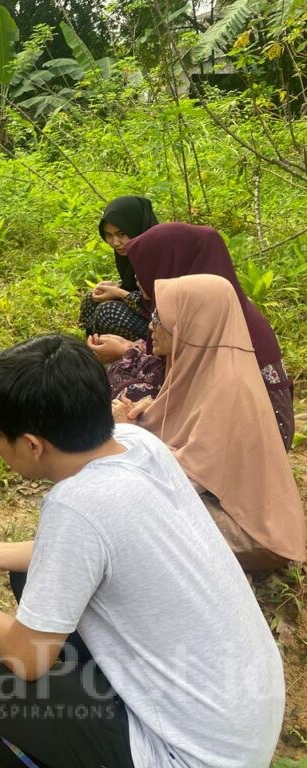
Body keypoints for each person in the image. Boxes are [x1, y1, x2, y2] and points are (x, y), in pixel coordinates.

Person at [0, 334, 284, 768]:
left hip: (190, 756)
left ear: (33, 445)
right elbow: (92, 548)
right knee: (28, 577)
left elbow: (26, 659)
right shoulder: (137, 445)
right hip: (239, 718)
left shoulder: (77, 502)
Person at [113, 274, 305, 571]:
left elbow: (182, 481)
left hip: (254, 536)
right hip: (226, 507)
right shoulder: (207, 362)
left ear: (192, 323)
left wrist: (126, 432)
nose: (151, 327)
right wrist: (144, 415)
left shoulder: (229, 385)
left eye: (160, 318)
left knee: (132, 510)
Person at [89, 222, 294, 450]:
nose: (138, 279)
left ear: (173, 269)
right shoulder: (214, 308)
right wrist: (131, 348)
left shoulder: (222, 327)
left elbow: (207, 405)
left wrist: (148, 411)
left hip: (251, 440)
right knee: (125, 379)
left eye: (146, 269)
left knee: (125, 396)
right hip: (219, 420)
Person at [78, 196, 158, 339]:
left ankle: (135, 354)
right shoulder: (130, 252)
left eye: (121, 234)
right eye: (108, 235)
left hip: (163, 325)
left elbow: (156, 304)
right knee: (92, 298)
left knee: (108, 312)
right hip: (145, 312)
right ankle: (93, 348)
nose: (115, 242)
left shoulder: (156, 252)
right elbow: (134, 287)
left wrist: (119, 293)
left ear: (136, 227)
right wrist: (118, 287)